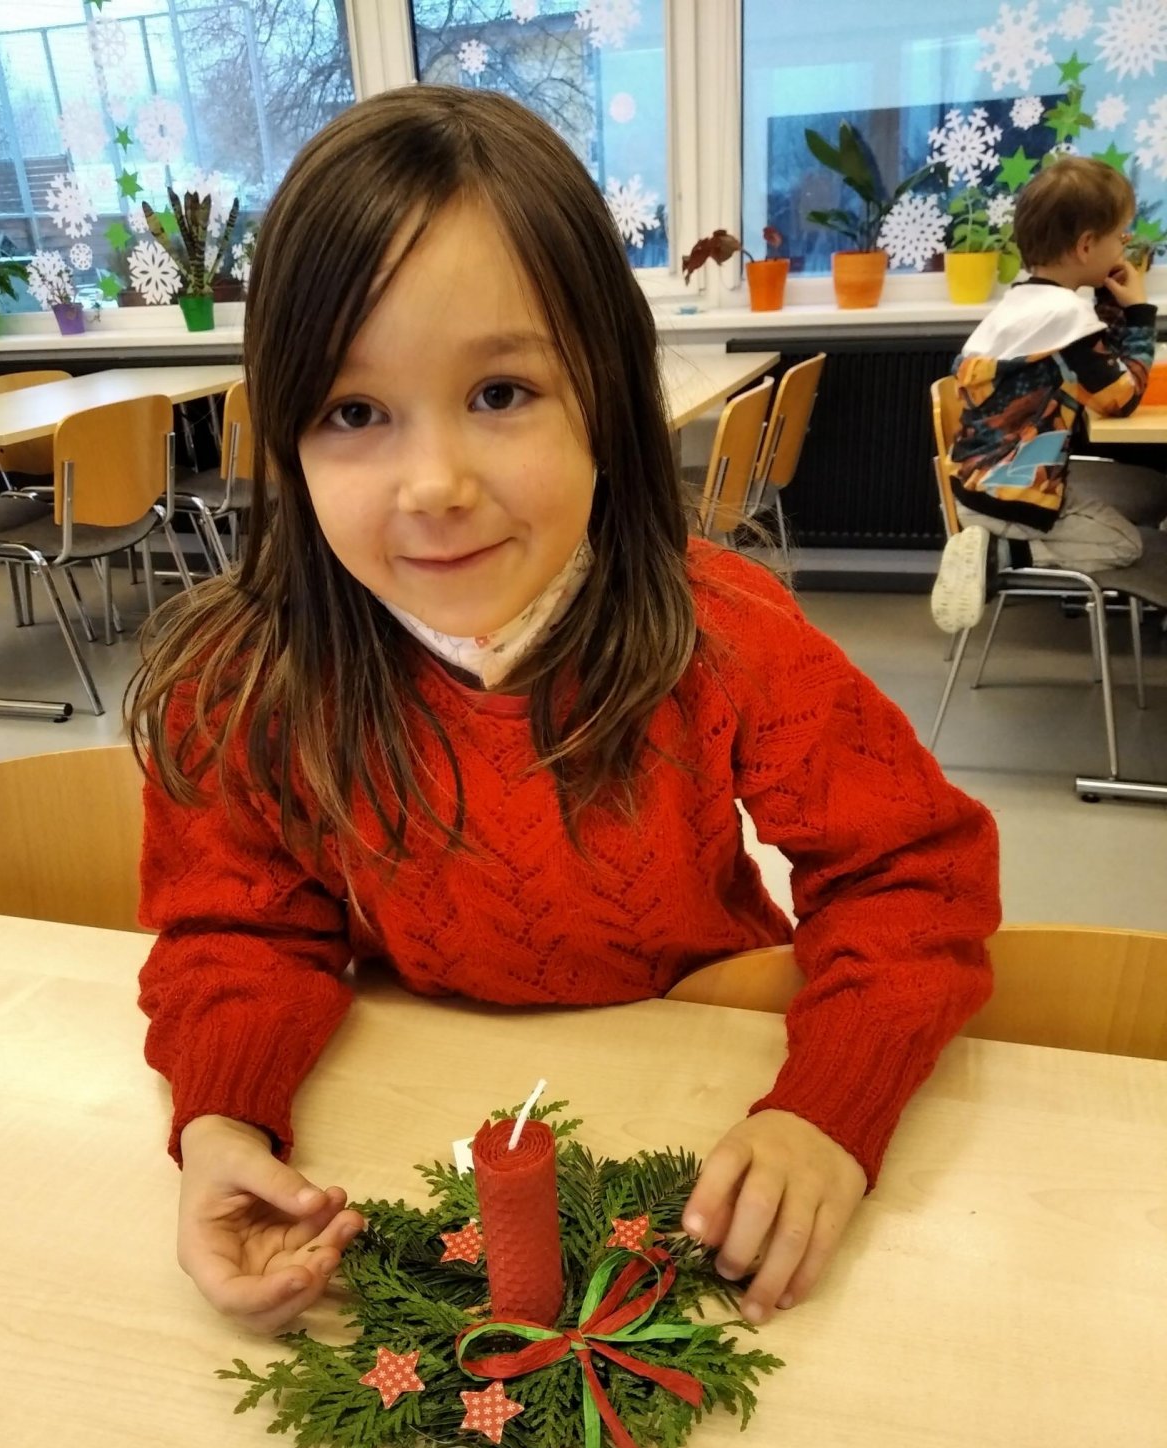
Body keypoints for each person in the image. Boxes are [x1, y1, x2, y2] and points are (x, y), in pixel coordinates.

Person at [129, 86, 1001, 1337]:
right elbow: (236, 932)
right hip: (419, 1120)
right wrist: (222, 1117)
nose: (435, 484)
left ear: (605, 395)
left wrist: (828, 1108)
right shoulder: (247, 682)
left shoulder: (723, 632)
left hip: (700, 1093)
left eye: (501, 393)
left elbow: (915, 877)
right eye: (354, 412)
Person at [932, 155, 1160, 634]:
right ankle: (1003, 556)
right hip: (1015, 499)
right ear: (1086, 246)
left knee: (1148, 494)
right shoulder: (1066, 321)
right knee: (1126, 545)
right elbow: (1120, 398)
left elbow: (1098, 372)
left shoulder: (1024, 307)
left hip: (978, 485)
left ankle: (996, 546)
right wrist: (1139, 312)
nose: (1123, 246)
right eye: (1120, 236)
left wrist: (1108, 304)